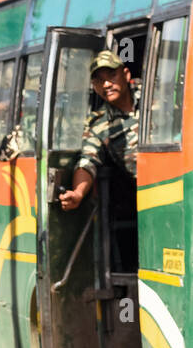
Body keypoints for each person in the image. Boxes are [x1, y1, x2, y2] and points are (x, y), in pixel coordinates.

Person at [58, 48, 140, 271]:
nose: (106, 85)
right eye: (99, 81)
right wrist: (77, 193)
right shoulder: (98, 124)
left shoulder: (155, 92)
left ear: (126, 74)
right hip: (148, 197)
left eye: (111, 76)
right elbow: (88, 161)